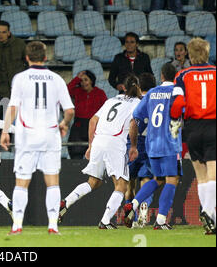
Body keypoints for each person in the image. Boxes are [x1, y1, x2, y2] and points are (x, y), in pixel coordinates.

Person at [0, 41, 75, 235]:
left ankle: (17, 225)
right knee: (52, 181)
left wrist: (5, 130)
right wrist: (64, 123)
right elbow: (69, 110)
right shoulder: (56, 78)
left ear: (27, 58)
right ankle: (53, 225)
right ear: (45, 57)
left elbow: (13, 107)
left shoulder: (20, 78)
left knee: (22, 182)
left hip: (27, 136)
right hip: (50, 135)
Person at [58, 75, 141, 229]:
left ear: (123, 87)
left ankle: (65, 203)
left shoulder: (111, 100)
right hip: (115, 142)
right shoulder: (137, 103)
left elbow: (92, 121)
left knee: (93, 182)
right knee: (121, 185)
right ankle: (105, 221)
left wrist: (90, 145)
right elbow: (133, 124)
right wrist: (133, 146)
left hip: (98, 140)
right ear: (138, 88)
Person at [124, 63, 183, 230]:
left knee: (158, 179)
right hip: (170, 143)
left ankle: (133, 204)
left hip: (152, 145)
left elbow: (136, 117)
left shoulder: (151, 93)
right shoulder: (177, 92)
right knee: (173, 179)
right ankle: (161, 221)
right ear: (175, 76)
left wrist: (134, 144)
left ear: (162, 76)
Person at [170, 38, 216, 234]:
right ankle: (207, 212)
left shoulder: (182, 75)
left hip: (192, 128)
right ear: (207, 52)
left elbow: (177, 103)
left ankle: (210, 223)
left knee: (201, 174)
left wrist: (174, 122)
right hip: (213, 125)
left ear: (189, 54)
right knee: (214, 172)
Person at [124, 72, 156, 228]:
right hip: (150, 147)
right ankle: (143, 206)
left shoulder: (133, 102)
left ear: (139, 86)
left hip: (133, 146)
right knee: (146, 181)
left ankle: (129, 214)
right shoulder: (154, 101)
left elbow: (131, 123)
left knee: (129, 185)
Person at [67, 70, 107, 159]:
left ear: (91, 81)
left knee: (95, 155)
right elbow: (67, 89)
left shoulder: (100, 93)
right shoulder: (77, 91)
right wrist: (77, 78)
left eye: (86, 80)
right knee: (75, 152)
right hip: (78, 126)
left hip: (94, 126)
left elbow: (105, 109)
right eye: (81, 80)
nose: (83, 83)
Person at [0, 20, 27, 99]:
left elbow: (28, 62)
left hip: (18, 86)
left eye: (4, 32)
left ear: (8, 33)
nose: (1, 35)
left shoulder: (20, 44)